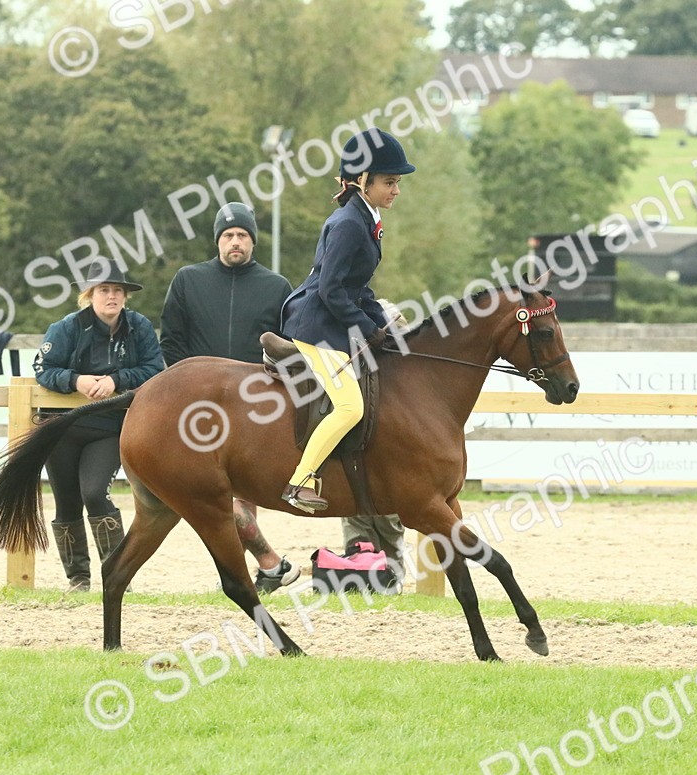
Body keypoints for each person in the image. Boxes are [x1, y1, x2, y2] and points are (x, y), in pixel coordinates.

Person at [160, 201, 300, 594]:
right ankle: (261, 567)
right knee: (211, 490)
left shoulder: (277, 286)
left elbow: (288, 344)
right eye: (227, 235)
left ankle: (253, 572)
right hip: (199, 404)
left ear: (252, 241)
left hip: (255, 404)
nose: (234, 241)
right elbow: (171, 339)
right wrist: (186, 387)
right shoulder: (188, 280)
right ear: (217, 241)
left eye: (241, 235)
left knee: (245, 489)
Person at [279, 127, 415, 514]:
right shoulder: (349, 224)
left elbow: (359, 288)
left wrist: (383, 325)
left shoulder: (365, 218)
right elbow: (331, 290)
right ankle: (300, 480)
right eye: (389, 182)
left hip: (332, 322)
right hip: (315, 327)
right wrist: (367, 328)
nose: (396, 190)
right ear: (362, 180)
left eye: (397, 182)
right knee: (350, 408)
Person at [33, 262, 165, 591]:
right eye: (104, 290)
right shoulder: (66, 328)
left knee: (94, 493)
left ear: (125, 296)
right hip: (62, 427)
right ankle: (78, 579)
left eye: (118, 290)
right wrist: (75, 380)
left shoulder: (139, 327)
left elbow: (154, 369)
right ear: (89, 295)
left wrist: (116, 379)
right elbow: (43, 368)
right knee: (66, 501)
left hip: (109, 427)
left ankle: (117, 575)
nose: (112, 296)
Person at [341, 299, 409, 591]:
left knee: (388, 516)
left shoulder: (402, 377)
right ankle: (358, 572)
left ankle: (390, 577)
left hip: (387, 450)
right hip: (357, 441)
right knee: (355, 512)